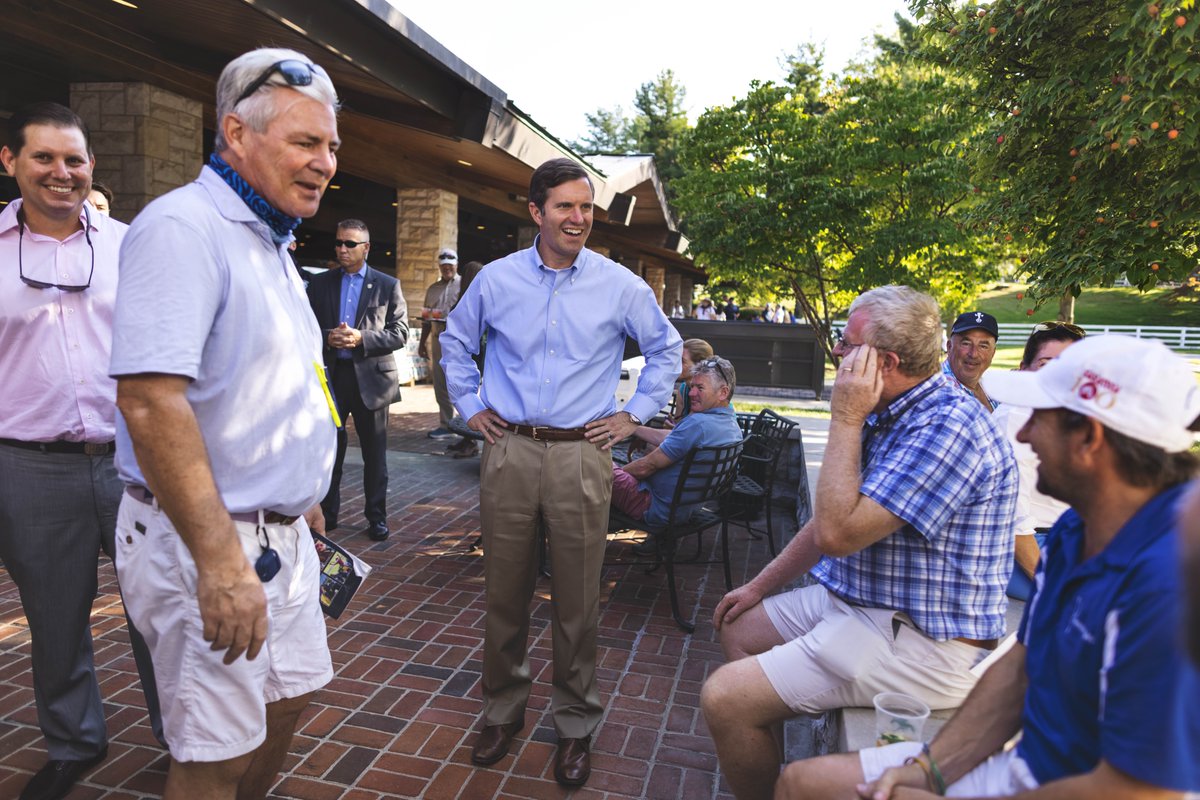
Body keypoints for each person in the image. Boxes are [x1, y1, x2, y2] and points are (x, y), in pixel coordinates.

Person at [778, 334, 1200, 800]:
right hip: (1025, 768)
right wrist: (931, 770)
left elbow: (1141, 791)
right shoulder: (1077, 530)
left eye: (1039, 416)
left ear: (1088, 439)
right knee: (800, 784)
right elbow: (1020, 668)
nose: (1023, 433)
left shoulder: (1167, 584)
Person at [110, 48, 340, 799]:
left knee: (288, 700)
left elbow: (267, 382)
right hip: (207, 541)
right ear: (237, 134)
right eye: (306, 142)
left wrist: (300, 492)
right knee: (215, 754)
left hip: (279, 531)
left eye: (331, 146)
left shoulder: (270, 238)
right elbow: (149, 401)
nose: (326, 163)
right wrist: (217, 562)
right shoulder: (183, 228)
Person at [702, 285, 1015, 800]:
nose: (837, 350)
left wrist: (845, 417)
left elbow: (836, 533)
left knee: (723, 698)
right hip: (866, 604)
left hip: (924, 640)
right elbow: (832, 516)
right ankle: (762, 752)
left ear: (886, 362)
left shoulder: (946, 427)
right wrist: (759, 585)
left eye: (848, 343)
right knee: (738, 624)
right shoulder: (893, 405)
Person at [440, 157, 682, 788]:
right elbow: (454, 342)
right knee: (505, 593)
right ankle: (502, 711)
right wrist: (469, 404)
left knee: (577, 600)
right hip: (510, 449)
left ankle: (575, 724)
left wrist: (633, 415)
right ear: (536, 212)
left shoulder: (620, 285)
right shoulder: (496, 280)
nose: (578, 218)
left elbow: (667, 349)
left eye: (586, 207)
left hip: (582, 453)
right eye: (565, 206)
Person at [0, 101, 162, 800]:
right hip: (29, 466)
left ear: (92, 165)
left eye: (74, 159)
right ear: (10, 161)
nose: (60, 172)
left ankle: (186, 739)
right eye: (43, 157)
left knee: (160, 612)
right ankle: (74, 743)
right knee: (55, 619)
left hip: (136, 463)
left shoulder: (133, 246)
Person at [307, 219, 408, 541]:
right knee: (329, 452)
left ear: (366, 248)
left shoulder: (387, 285)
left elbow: (400, 332)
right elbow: (304, 326)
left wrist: (362, 338)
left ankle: (377, 517)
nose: (342, 249)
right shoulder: (320, 284)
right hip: (332, 379)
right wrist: (328, 336)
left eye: (350, 244)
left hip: (372, 382)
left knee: (374, 457)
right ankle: (328, 514)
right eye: (338, 242)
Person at [993, 320, 1086, 600]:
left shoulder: (1072, 417)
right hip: (1028, 548)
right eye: (1046, 365)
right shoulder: (1014, 421)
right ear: (1024, 370)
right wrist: (1051, 589)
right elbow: (1014, 524)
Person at [610, 356, 741, 551]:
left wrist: (616, 477)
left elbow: (646, 467)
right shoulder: (731, 425)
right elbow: (673, 439)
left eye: (700, 388)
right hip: (686, 508)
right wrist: (633, 428)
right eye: (692, 386)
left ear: (723, 392)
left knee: (594, 465)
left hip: (653, 506)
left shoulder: (698, 424)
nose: (691, 393)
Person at [420, 247, 462, 441]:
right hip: (437, 340)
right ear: (439, 267)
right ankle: (446, 424)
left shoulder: (464, 285)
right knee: (440, 383)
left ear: (456, 265)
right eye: (444, 266)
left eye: (450, 266)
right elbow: (426, 318)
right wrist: (422, 343)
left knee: (459, 382)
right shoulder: (432, 289)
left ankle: (464, 424)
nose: (447, 269)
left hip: (458, 342)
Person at [445, 259, 485, 459]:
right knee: (469, 398)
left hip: (472, 358)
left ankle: (471, 442)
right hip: (478, 357)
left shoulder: (466, 303)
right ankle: (467, 439)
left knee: (467, 397)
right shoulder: (471, 302)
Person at [943, 310, 999, 411]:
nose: (973, 354)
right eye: (966, 343)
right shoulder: (943, 390)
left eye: (983, 346)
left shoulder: (989, 386)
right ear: (949, 347)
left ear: (993, 353)